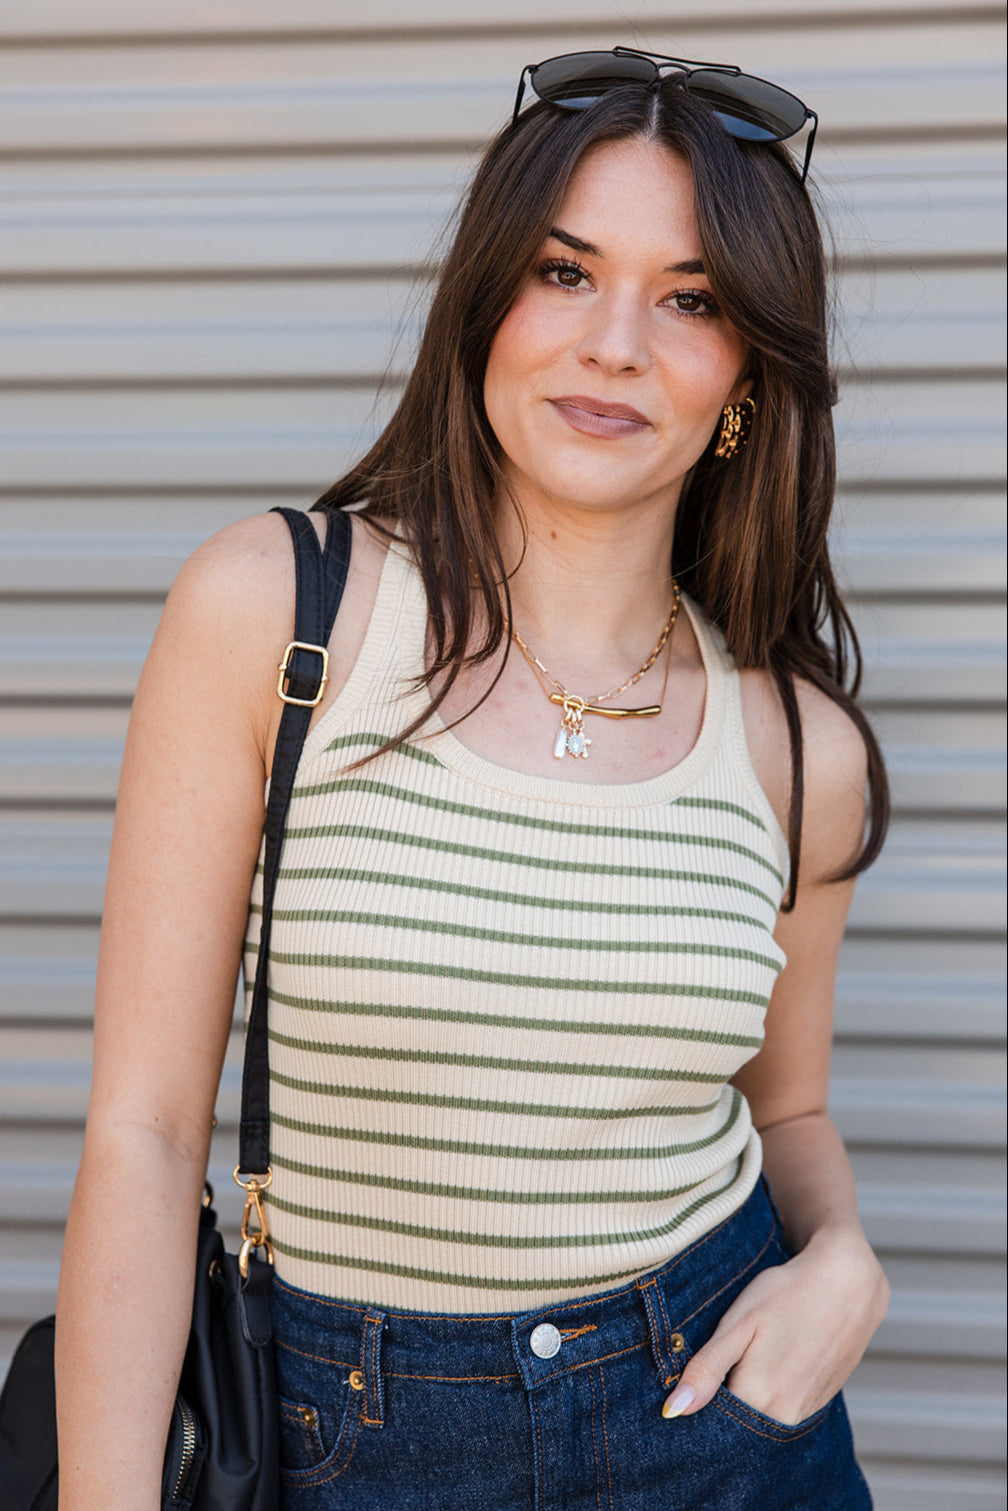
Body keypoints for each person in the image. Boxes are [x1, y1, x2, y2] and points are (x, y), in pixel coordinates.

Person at [54, 48, 891, 1511]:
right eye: (566, 273)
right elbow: (144, 1133)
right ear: (487, 303)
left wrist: (845, 1264)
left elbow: (793, 1111)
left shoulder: (797, 747)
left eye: (689, 300)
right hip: (354, 1436)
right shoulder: (279, 613)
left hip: (718, 1423)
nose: (615, 343)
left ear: (746, 374)